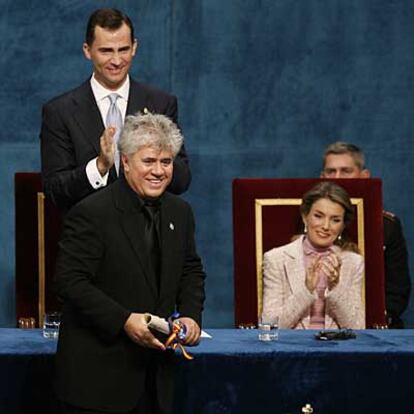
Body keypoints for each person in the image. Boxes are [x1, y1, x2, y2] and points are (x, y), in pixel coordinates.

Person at [54, 112, 205, 414]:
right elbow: (69, 282)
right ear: (125, 161)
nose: (159, 171)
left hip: (157, 382)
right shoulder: (92, 213)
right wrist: (124, 319)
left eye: (166, 162)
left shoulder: (181, 212)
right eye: (149, 161)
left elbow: (190, 269)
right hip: (97, 384)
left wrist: (190, 315)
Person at [40, 8, 191, 212]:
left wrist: (153, 166)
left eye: (123, 49)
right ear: (87, 50)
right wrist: (100, 166)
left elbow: (182, 180)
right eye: (106, 51)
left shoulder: (161, 103)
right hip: (90, 236)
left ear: (134, 47)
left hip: (149, 235)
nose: (117, 61)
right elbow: (54, 191)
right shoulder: (60, 112)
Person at [321, 141, 411, 328]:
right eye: (331, 172)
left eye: (346, 171)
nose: (337, 178)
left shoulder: (386, 226)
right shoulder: (307, 222)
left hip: (372, 326)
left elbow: (397, 291)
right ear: (322, 177)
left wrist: (374, 320)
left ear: (364, 176)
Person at [262, 182, 365, 329]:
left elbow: (357, 328)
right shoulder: (276, 259)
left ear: (342, 226)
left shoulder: (353, 262)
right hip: (292, 347)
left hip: (337, 348)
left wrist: (336, 288)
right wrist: (306, 289)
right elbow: (269, 326)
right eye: (318, 216)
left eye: (335, 220)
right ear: (305, 217)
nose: (326, 226)